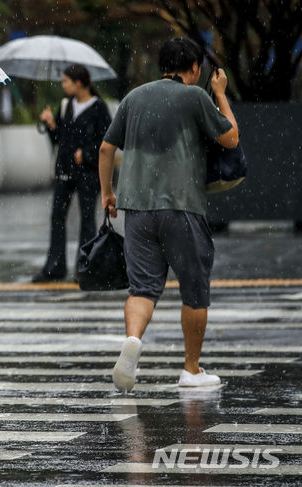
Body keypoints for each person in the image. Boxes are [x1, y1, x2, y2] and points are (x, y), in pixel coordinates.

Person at [98, 38, 239, 392]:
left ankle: (133, 340)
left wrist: (108, 194)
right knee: (194, 290)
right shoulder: (195, 97)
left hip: (137, 209)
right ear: (193, 68)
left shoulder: (134, 97)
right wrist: (220, 93)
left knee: (143, 288)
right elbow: (231, 139)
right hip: (182, 206)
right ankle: (191, 370)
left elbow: (105, 148)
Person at [34, 64, 111, 282]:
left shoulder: (99, 107)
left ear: (79, 83)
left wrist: (86, 154)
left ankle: (84, 269)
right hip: (65, 171)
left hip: (88, 174)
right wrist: (51, 124)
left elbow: (107, 141)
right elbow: (60, 138)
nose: (63, 85)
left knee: (88, 220)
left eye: (66, 81)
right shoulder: (66, 105)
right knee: (57, 216)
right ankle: (54, 267)